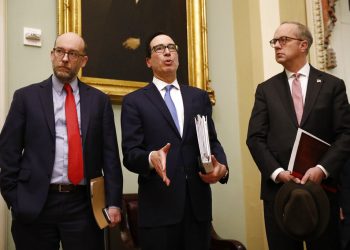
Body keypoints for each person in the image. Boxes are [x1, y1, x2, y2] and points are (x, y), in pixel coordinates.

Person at [0, 32, 123, 250]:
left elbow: (110, 157)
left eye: (72, 53)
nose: (64, 58)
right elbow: (7, 152)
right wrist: (15, 199)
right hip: (36, 204)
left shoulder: (99, 101)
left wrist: (113, 202)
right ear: (52, 54)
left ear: (83, 60)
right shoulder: (25, 98)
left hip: (83, 206)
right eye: (60, 51)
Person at [246, 21, 350, 250]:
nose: (276, 46)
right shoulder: (266, 90)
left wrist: (322, 169)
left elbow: (345, 135)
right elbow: (254, 138)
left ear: (303, 45)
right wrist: (277, 172)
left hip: (322, 192)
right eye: (274, 41)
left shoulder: (333, 86)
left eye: (283, 40)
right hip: (280, 193)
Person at [121, 32, 229, 250]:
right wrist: (151, 158)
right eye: (159, 49)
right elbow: (131, 154)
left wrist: (223, 168)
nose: (167, 52)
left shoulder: (198, 97)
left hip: (197, 210)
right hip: (158, 210)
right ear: (148, 61)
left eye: (172, 47)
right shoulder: (135, 101)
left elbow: (211, 140)